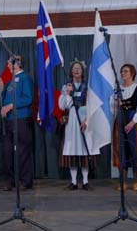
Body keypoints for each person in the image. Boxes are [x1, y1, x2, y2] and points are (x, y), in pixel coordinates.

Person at [0, 55, 34, 191]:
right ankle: (10, 180)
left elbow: (28, 98)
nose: (7, 65)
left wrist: (11, 106)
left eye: (9, 62)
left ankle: (25, 181)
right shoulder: (10, 81)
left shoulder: (25, 78)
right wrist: (2, 89)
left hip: (21, 119)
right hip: (9, 120)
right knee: (8, 151)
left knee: (22, 151)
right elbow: (6, 99)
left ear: (17, 64)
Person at [58, 60, 94, 190]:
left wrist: (87, 120)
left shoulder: (88, 86)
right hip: (72, 121)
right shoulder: (66, 86)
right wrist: (67, 93)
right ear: (71, 71)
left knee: (85, 149)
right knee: (72, 150)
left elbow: (92, 105)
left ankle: (85, 181)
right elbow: (62, 106)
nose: (77, 70)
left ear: (82, 71)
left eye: (79, 68)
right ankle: (73, 182)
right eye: (74, 68)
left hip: (84, 119)